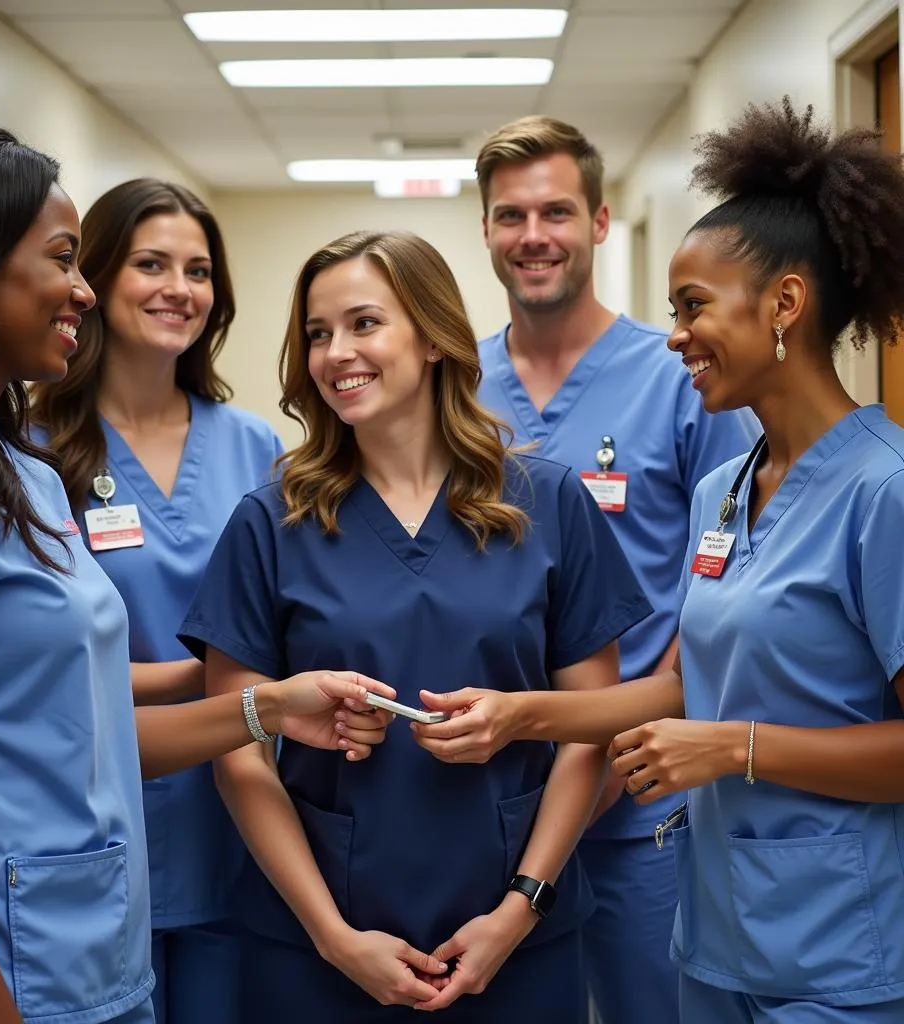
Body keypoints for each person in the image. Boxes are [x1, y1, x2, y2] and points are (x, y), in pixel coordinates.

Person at [0, 122, 394, 1024]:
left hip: (96, 941)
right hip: (7, 961)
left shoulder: (21, 475)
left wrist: (268, 705)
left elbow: (85, 723)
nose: (80, 286)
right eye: (64, 259)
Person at [415, 98, 904, 1022]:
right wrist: (523, 715)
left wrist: (733, 747)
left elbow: (714, 725)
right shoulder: (732, 489)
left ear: (785, 305)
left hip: (840, 947)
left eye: (693, 308)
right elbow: (685, 684)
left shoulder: (884, 492)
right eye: (674, 311)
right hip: (718, 931)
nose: (675, 333)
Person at [176, 230, 653, 1022]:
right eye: (318, 334)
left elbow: (588, 731)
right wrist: (332, 936)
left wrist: (519, 909)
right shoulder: (269, 524)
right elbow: (242, 757)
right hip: (315, 951)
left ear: (433, 337)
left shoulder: (551, 503)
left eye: (364, 324)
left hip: (516, 945)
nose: (336, 353)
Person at [468, 113, 756, 1024]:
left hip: (640, 799)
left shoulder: (680, 377)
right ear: (484, 230)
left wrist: (639, 732)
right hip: (494, 794)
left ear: (598, 221)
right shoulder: (454, 388)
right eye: (510, 216)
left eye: (557, 211)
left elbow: (730, 568)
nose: (533, 237)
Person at [31, 178, 282, 1024]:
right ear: (96, 277)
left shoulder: (254, 446)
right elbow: (37, 662)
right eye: (151, 264)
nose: (181, 288)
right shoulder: (28, 450)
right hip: (90, 817)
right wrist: (212, 680)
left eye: (199, 269)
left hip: (238, 817)